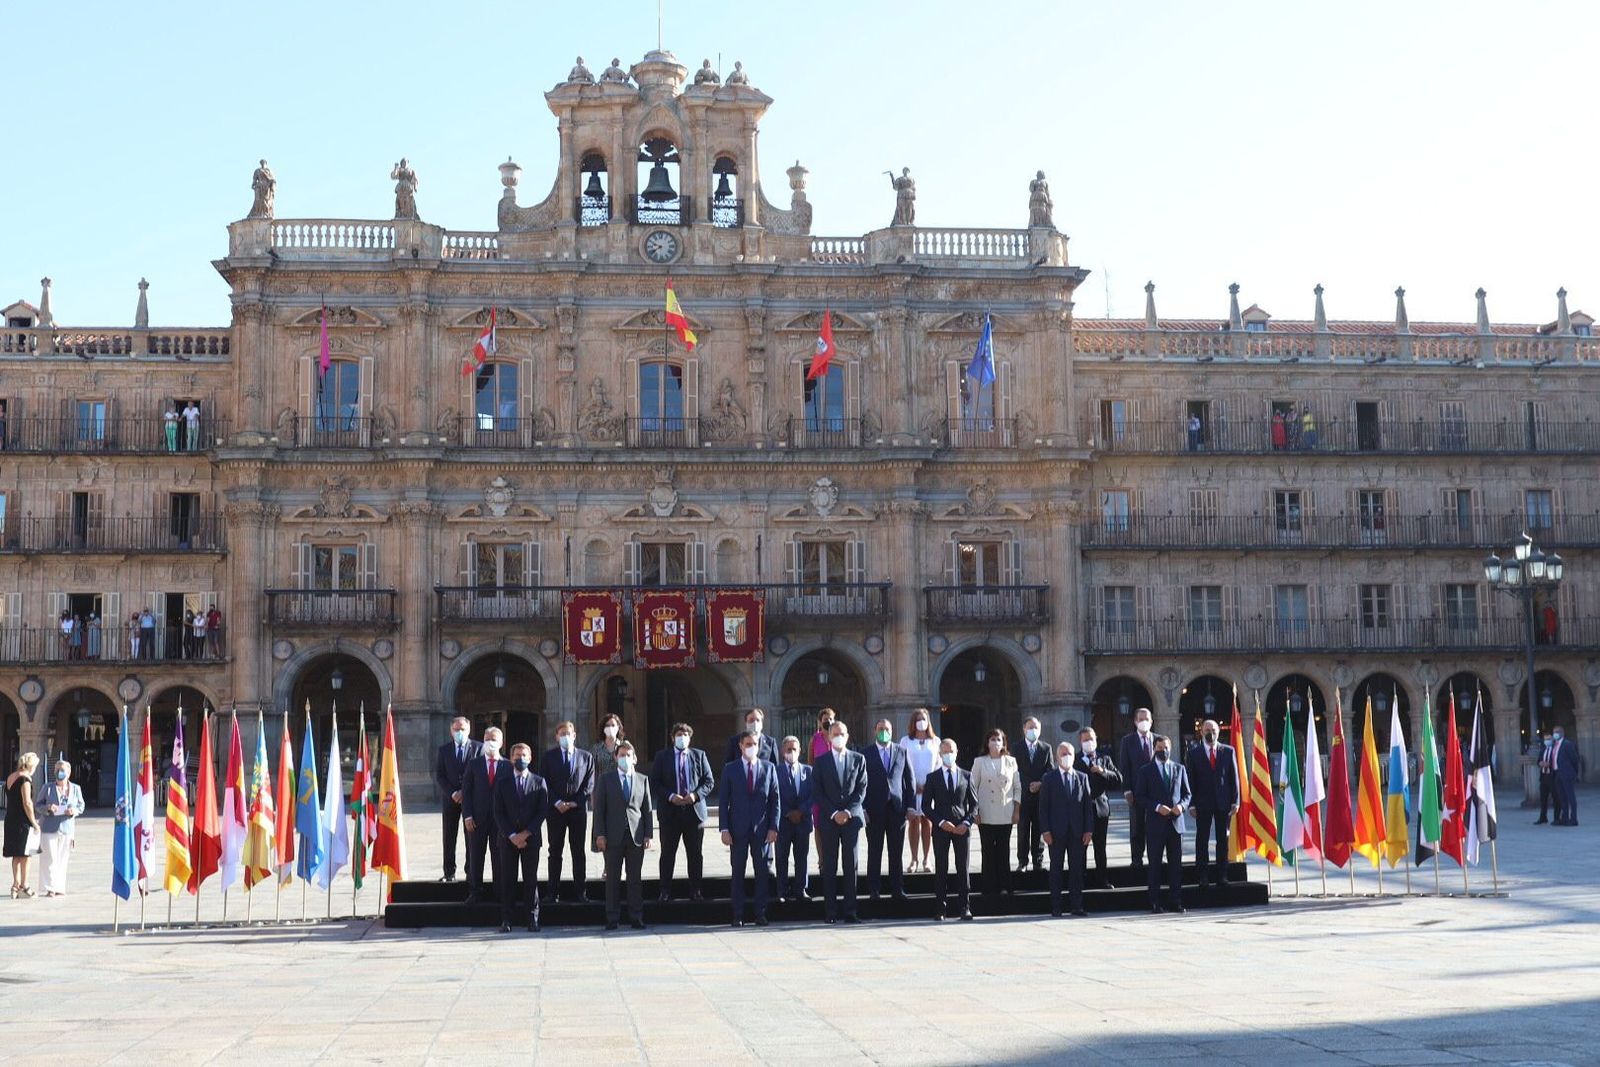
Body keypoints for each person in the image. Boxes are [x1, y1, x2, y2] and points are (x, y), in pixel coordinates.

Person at [719, 731, 781, 927]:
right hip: (737, 830)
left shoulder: (769, 768)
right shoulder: (730, 769)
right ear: (740, 746)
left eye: (754, 743)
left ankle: (760, 913)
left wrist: (773, 827)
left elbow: (775, 800)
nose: (751, 747)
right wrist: (724, 829)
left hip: (762, 830)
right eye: (748, 744)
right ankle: (737, 914)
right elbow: (723, 801)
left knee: (762, 873)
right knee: (738, 873)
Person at [650, 722, 714, 902]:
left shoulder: (699, 755)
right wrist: (670, 796)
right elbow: (655, 782)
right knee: (667, 853)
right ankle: (665, 891)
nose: (682, 737)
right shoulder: (662, 757)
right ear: (672, 738)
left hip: (694, 813)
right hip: (670, 813)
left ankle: (696, 890)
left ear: (690, 738)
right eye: (679, 734)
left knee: (695, 854)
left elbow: (709, 781)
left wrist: (696, 795)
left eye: (685, 734)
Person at [592, 741, 652, 930]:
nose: (625, 758)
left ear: (634, 758)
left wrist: (648, 834)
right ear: (616, 758)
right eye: (621, 755)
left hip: (635, 836)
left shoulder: (642, 780)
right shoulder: (606, 779)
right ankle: (612, 917)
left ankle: (636, 916)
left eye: (628, 755)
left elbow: (647, 809)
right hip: (612, 836)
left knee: (635, 879)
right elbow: (599, 810)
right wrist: (599, 834)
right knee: (612, 879)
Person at [813, 720, 867, 924]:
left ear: (847, 736)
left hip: (851, 820)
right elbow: (817, 792)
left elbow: (861, 788)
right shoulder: (821, 761)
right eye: (835, 734)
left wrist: (848, 811)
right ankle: (831, 912)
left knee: (850, 865)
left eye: (842, 733)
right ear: (828, 736)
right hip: (829, 820)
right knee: (830, 865)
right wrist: (835, 812)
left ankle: (850, 911)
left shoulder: (858, 759)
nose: (838, 737)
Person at [493, 743, 548, 933]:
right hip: (507, 840)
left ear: (530, 758)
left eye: (524, 755)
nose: (520, 758)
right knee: (507, 880)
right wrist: (512, 835)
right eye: (517, 755)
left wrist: (526, 834)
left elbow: (541, 811)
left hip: (530, 839)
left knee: (530, 880)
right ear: (510, 758)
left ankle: (532, 919)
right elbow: (498, 812)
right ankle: (506, 919)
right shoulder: (502, 782)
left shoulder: (539, 782)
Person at [1134, 734, 1191, 913]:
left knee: (1176, 866)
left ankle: (1175, 901)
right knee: (1155, 865)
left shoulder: (1179, 768)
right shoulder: (1145, 771)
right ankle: (1155, 901)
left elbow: (1187, 794)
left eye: (1166, 748)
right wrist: (1157, 807)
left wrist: (1181, 806)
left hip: (1176, 824)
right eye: (1159, 748)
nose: (1163, 751)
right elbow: (1140, 797)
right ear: (1154, 749)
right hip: (1155, 825)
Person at [540, 721, 594, 903]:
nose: (565, 737)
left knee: (578, 851)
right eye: (562, 734)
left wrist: (574, 802)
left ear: (574, 735)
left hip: (577, 811)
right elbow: (544, 782)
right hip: (556, 811)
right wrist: (556, 802)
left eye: (568, 733)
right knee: (555, 851)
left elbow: (589, 784)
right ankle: (552, 892)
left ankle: (581, 892)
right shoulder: (548, 757)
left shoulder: (586, 757)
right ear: (556, 737)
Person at [924, 738, 977, 921]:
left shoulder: (966, 775)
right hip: (942, 829)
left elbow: (974, 805)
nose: (949, 755)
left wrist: (967, 823)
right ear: (940, 754)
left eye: (951, 751)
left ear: (956, 752)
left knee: (963, 867)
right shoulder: (932, 777)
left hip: (962, 828)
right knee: (941, 868)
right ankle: (940, 908)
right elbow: (926, 806)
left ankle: (965, 907)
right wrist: (940, 822)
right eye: (945, 752)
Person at [1040, 741, 1095, 917]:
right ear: (1057, 757)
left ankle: (1077, 906)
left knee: (1076, 870)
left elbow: (1087, 806)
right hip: (1056, 832)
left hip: (1077, 832)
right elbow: (1043, 807)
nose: (1067, 757)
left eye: (1070, 754)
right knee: (1056, 870)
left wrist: (1088, 830)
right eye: (1063, 754)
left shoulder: (1082, 777)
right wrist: (1045, 831)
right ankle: (1056, 906)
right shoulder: (1049, 778)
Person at [862, 716, 914, 902]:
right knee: (874, 851)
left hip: (896, 809)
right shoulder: (865, 753)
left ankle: (897, 889)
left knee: (896, 851)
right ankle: (874, 889)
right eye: (881, 729)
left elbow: (909, 779)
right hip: (874, 810)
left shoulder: (901, 751)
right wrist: (863, 808)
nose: (884, 732)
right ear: (875, 731)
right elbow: (861, 783)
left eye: (887, 729)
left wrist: (910, 806)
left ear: (892, 732)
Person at [1185, 717, 1240, 887]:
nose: (1211, 733)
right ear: (1201, 732)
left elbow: (1234, 777)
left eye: (1214, 730)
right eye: (1207, 730)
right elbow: (1190, 780)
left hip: (1223, 803)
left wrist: (1236, 800)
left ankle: (1222, 874)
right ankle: (1203, 876)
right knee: (1202, 839)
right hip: (1202, 803)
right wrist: (1191, 803)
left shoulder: (1228, 751)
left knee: (1222, 839)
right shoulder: (1193, 753)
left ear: (1219, 732)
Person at [459, 726, 508, 904]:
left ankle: (499, 892)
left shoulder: (508, 765)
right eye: (487, 739)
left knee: (499, 857)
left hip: (499, 822)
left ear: (501, 743)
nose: (490, 742)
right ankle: (475, 892)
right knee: (475, 857)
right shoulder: (474, 764)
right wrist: (467, 816)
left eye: (494, 739)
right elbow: (466, 792)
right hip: (477, 820)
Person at [971, 728, 1022, 896]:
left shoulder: (1011, 761)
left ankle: (1005, 885)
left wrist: (1016, 810)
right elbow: (973, 787)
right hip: (986, 813)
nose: (995, 743)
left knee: (1003, 850)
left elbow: (1017, 787)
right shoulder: (979, 762)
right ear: (987, 742)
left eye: (998, 739)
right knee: (987, 851)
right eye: (992, 739)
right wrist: (975, 811)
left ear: (1003, 742)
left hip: (1005, 812)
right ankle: (988, 886)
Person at [434, 715, 480, 882]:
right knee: (449, 836)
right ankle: (449, 872)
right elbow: (440, 775)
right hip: (450, 799)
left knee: (471, 836)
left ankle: (470, 871)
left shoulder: (478, 748)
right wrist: (452, 792)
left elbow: (479, 774)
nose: (459, 732)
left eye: (463, 729)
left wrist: (465, 792)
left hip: (471, 800)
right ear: (451, 731)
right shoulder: (444, 750)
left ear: (469, 729)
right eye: (456, 729)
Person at [1074, 727, 1122, 887]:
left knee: (1100, 847)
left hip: (1100, 809)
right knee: (1081, 847)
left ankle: (1102, 879)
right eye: (1085, 740)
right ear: (1080, 741)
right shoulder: (1075, 760)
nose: (1089, 742)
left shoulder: (1104, 758)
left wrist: (1103, 772)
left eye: (1091, 739)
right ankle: (1080, 880)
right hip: (1081, 810)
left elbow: (1118, 779)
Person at [1117, 707, 1157, 874]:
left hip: (1156, 792)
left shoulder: (1158, 740)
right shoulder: (1128, 741)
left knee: (1155, 827)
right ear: (1135, 722)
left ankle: (1155, 857)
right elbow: (1124, 766)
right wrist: (1126, 789)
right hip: (1136, 790)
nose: (1143, 722)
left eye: (1146, 719)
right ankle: (1137, 859)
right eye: (1140, 719)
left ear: (1151, 721)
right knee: (1137, 827)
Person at [36, 759, 85, 897]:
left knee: (62, 859)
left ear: (69, 772)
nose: (60, 772)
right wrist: (48, 808)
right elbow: (38, 805)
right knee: (49, 858)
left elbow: (81, 806)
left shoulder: (76, 789)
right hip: (49, 828)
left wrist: (74, 811)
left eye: (62, 769)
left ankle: (59, 887)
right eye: (57, 769)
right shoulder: (47, 788)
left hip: (66, 828)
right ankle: (49, 888)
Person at [899, 709, 940, 873]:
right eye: (918, 719)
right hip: (912, 788)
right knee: (914, 822)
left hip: (929, 788)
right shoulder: (905, 741)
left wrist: (929, 786)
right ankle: (914, 859)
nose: (921, 722)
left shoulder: (935, 741)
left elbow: (938, 764)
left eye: (923, 719)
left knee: (927, 822)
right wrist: (912, 785)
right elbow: (902, 764)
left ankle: (926, 859)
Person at [775, 735, 813, 902]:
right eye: (788, 749)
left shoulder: (808, 771)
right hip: (783, 822)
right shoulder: (776, 771)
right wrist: (788, 813)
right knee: (781, 857)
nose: (791, 752)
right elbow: (773, 796)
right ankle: (781, 890)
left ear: (800, 751)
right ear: (783, 751)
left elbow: (814, 794)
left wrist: (801, 811)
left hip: (803, 821)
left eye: (794, 749)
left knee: (802, 857)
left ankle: (801, 889)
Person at [1015, 716, 1050, 873]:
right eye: (1030, 727)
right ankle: (1022, 861)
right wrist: (1028, 784)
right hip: (1022, 796)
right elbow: (1014, 770)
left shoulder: (1046, 748)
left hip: (1040, 797)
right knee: (1023, 830)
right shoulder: (1017, 747)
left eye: (1036, 727)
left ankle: (1038, 861)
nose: (1033, 730)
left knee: (1039, 830)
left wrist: (1040, 783)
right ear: (1024, 729)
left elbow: (1050, 769)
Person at [5, 753, 41, 898]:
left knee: (16, 854)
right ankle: (25, 886)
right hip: (23, 821)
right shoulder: (25, 779)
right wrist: (34, 822)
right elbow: (27, 802)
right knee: (26, 854)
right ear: (31, 765)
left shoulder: (10, 777)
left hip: (10, 820)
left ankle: (15, 886)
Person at [810, 708, 836, 859]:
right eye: (826, 719)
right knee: (818, 825)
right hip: (819, 787)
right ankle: (822, 859)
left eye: (831, 719)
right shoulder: (815, 739)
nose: (829, 722)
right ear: (820, 722)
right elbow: (811, 762)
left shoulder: (837, 737)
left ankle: (832, 857)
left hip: (835, 787)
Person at [1550, 726, 1579, 826]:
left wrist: (1574, 772)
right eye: (1554, 732)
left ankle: (1574, 819)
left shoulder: (1567, 744)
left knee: (1570, 796)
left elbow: (1574, 759)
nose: (1555, 734)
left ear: (1562, 733)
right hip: (1557, 773)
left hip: (1566, 773)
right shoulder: (1554, 745)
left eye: (1557, 732)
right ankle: (1565, 817)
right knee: (1562, 797)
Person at [1535, 733, 1557, 824]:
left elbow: (1557, 761)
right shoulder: (1543, 749)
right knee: (1543, 798)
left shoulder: (1554, 750)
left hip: (1552, 777)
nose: (1547, 741)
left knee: (1555, 798)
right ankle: (1543, 817)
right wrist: (1540, 763)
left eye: (1549, 739)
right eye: (1545, 739)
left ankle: (1557, 818)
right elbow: (1538, 760)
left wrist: (1549, 764)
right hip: (1544, 776)